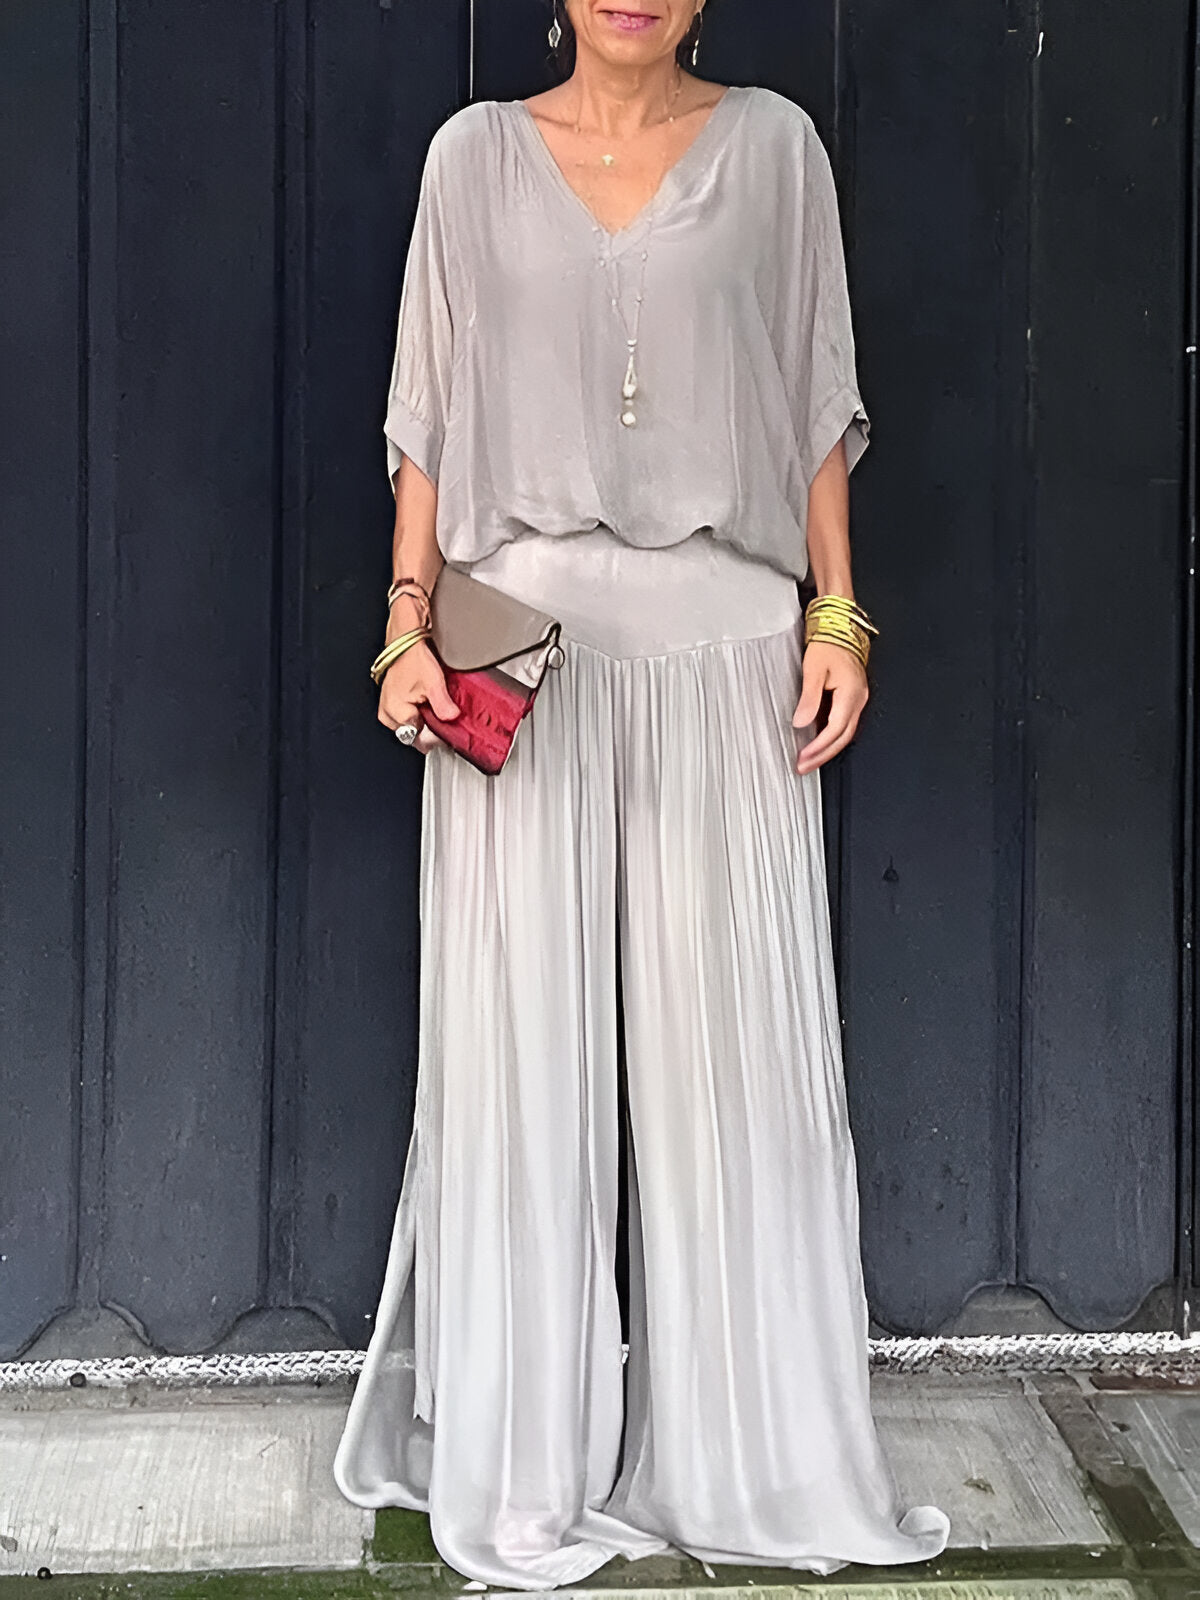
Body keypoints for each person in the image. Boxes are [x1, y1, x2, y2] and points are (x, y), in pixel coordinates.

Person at [332, 0, 951, 1589]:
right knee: (515, 1065)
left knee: (740, 1070)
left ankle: (755, 1466)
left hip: (726, 640)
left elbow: (815, 400)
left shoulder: (777, 153)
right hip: (519, 654)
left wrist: (837, 619)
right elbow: (427, 418)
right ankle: (522, 1469)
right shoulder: (472, 160)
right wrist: (405, 626)